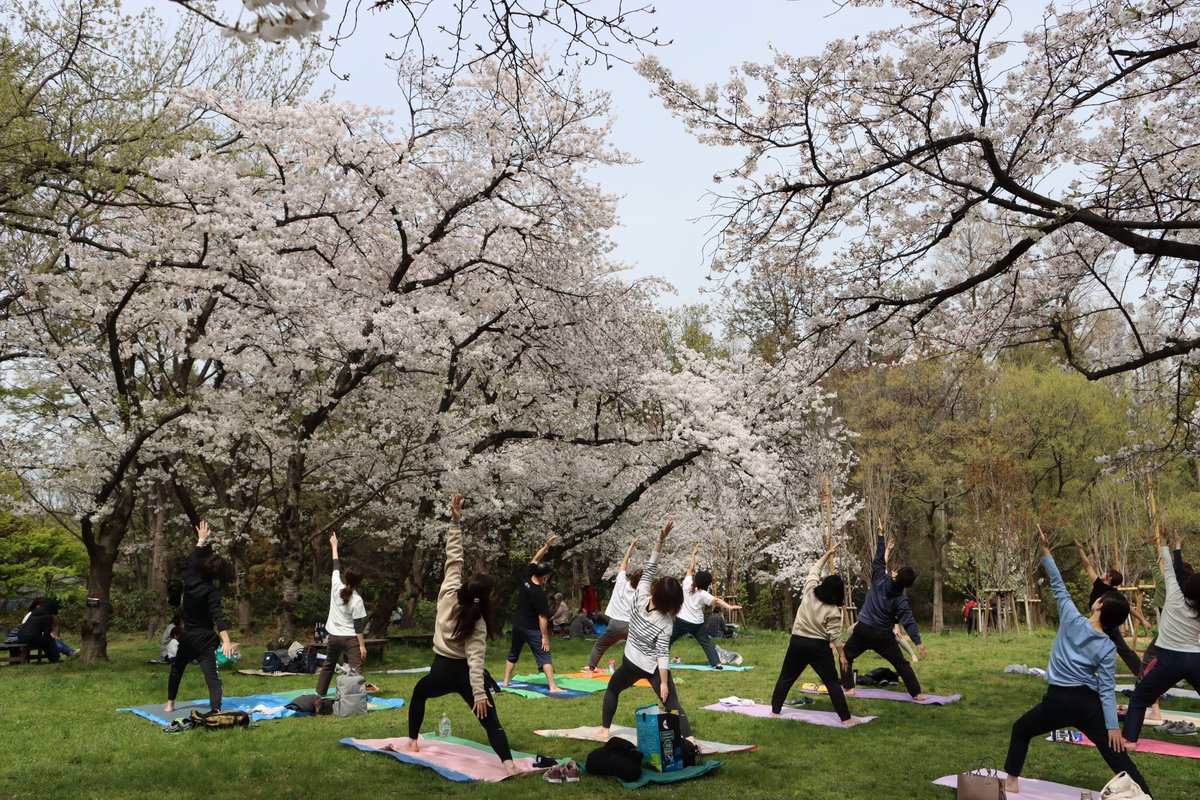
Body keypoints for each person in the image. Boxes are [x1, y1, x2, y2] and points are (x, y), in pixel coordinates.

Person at [1003, 525, 1149, 796]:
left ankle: (1011, 782)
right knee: (1115, 753)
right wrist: (1112, 728)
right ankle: (1146, 795)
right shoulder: (1108, 645)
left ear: (1099, 605)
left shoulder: (1070, 617)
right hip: (1086, 704)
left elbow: (1057, 583)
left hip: (1057, 701)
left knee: (1021, 730)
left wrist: (1046, 550)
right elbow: (1106, 689)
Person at [406, 495, 516, 774]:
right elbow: (475, 661)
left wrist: (455, 520)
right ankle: (510, 765)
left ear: (465, 585)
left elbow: (453, 557)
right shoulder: (478, 620)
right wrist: (479, 695)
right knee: (490, 720)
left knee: (419, 694)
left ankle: (412, 743)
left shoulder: (447, 593)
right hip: (466, 675)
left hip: (441, 670)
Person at [599, 521, 696, 744]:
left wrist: (660, 540)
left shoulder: (640, 594)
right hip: (652, 667)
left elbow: (650, 567)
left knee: (613, 689)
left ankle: (605, 730)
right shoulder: (665, 622)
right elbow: (662, 655)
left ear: (656, 589)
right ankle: (690, 740)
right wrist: (663, 683)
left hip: (632, 661)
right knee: (672, 705)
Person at [770, 541, 866, 726]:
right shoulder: (833, 611)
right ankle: (846, 719)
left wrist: (827, 554)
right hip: (818, 647)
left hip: (797, 641)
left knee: (786, 677)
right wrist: (842, 656)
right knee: (831, 682)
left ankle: (775, 710)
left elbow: (815, 569)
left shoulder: (809, 591)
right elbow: (835, 637)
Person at [1121, 528, 1200, 752]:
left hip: (1169, 659)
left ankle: (1130, 741)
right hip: (1196, 660)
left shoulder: (1174, 596)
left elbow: (1168, 572)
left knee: (1138, 699)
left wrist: (1164, 544)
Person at [840, 524, 927, 699]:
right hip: (883, 636)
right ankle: (917, 694)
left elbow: (879, 559)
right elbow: (908, 620)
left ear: (895, 575)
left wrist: (881, 536)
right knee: (902, 664)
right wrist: (917, 642)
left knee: (846, 656)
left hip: (863, 630)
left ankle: (849, 688)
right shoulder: (901, 599)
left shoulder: (879, 578)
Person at [165, 521, 235, 715]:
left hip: (187, 636)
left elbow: (193, 560)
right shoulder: (212, 592)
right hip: (204, 639)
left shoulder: (190, 579)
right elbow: (217, 617)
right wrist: (226, 641)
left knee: (177, 670)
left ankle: (169, 704)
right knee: (212, 677)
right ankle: (215, 709)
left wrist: (201, 540)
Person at [1073, 538, 1148, 678]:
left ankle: (1076, 672)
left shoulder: (1100, 585)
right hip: (1110, 626)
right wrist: (1142, 620)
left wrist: (1080, 549)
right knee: (1124, 651)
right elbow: (1129, 608)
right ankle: (1143, 676)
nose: (1103, 572)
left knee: (1083, 646)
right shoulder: (1114, 593)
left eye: (1106, 572)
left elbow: (1088, 565)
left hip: (1100, 625)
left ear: (1109, 577)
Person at [501, 533, 565, 692]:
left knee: (513, 652)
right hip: (531, 629)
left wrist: (547, 546)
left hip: (517, 625)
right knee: (544, 654)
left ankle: (506, 682)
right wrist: (545, 637)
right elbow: (542, 617)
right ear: (545, 576)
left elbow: (535, 559)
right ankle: (552, 686)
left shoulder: (526, 578)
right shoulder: (538, 594)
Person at [670, 544, 742, 668]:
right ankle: (717, 663)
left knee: (668, 640)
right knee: (706, 643)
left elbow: (690, 569)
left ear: (696, 579)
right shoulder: (703, 594)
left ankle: (656, 660)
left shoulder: (687, 584)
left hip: (681, 621)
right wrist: (730, 607)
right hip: (696, 623)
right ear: (706, 584)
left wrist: (693, 555)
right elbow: (717, 601)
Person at [315, 532, 367, 697]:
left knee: (329, 665)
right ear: (360, 581)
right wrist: (362, 646)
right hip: (350, 638)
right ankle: (356, 696)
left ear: (346, 577)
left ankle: (320, 693)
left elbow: (335, 565)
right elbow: (358, 626)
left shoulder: (335, 584)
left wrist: (334, 545)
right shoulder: (357, 600)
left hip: (334, 636)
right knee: (355, 668)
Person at [584, 534, 642, 674]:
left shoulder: (621, 581)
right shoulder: (641, 593)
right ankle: (642, 671)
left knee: (600, 646)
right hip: (631, 626)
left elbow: (624, 563)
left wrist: (631, 546)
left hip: (615, 624)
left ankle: (591, 670)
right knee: (640, 650)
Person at [15, 598, 65, 663]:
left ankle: (52, 659)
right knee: (49, 640)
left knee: (44, 640)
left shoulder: (34, 612)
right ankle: (56, 659)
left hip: (21, 637)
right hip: (31, 638)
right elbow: (47, 633)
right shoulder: (47, 616)